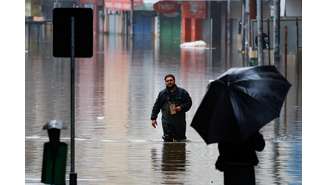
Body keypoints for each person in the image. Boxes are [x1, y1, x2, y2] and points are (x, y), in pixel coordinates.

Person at [151, 74, 192, 142]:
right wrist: (153, 118)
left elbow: (189, 103)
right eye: (167, 81)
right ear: (165, 82)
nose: (169, 82)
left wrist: (181, 107)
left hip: (179, 122)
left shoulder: (182, 92)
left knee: (180, 141)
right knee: (167, 141)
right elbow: (156, 106)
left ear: (174, 81)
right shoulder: (162, 94)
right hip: (167, 121)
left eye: (171, 80)